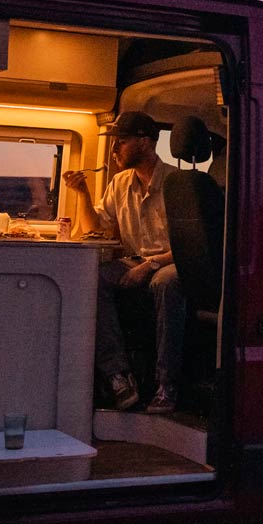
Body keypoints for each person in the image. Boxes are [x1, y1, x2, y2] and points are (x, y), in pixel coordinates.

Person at [62, 110, 187, 414]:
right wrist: (82, 192)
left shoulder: (177, 183)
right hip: (136, 260)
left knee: (165, 283)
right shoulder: (119, 183)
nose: (115, 148)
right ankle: (118, 376)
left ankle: (166, 385)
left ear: (145, 142)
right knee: (93, 277)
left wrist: (151, 265)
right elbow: (96, 228)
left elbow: (188, 247)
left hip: (173, 261)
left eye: (122, 141)